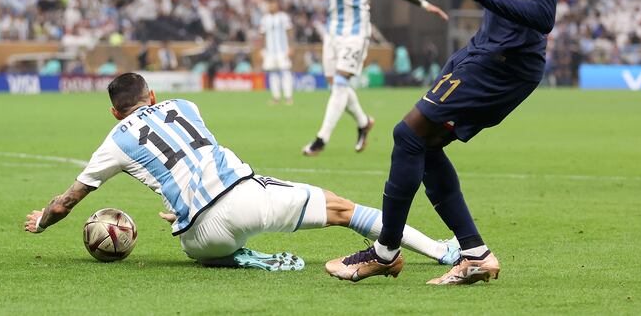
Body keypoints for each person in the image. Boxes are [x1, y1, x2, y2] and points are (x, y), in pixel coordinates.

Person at [327, 0, 563, 286]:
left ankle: (384, 251)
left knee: (407, 134)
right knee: (424, 143)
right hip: (484, 50)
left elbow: (544, 15)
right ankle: (474, 254)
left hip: (504, 61)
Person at [23, 72, 460, 271]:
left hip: (199, 240)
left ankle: (238, 258)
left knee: (194, 237)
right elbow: (195, 156)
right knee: (344, 211)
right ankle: (442, 253)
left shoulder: (115, 138)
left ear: (113, 112)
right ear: (153, 95)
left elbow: (68, 201)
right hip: (245, 198)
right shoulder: (184, 106)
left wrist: (41, 221)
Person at [239, 0, 448, 156]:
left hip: (356, 33)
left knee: (340, 83)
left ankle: (321, 139)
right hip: (332, 34)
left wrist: (425, 5)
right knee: (337, 86)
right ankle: (363, 121)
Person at [259, 0, 294, 105]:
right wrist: (262, 49)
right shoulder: (265, 19)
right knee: (272, 74)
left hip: (282, 50)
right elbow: (262, 35)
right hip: (270, 51)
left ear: (277, 6)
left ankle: (288, 97)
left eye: (273, 4)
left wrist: (291, 47)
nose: (271, 7)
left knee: (285, 72)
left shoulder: (283, 17)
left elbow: (289, 32)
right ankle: (276, 97)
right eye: (270, 5)